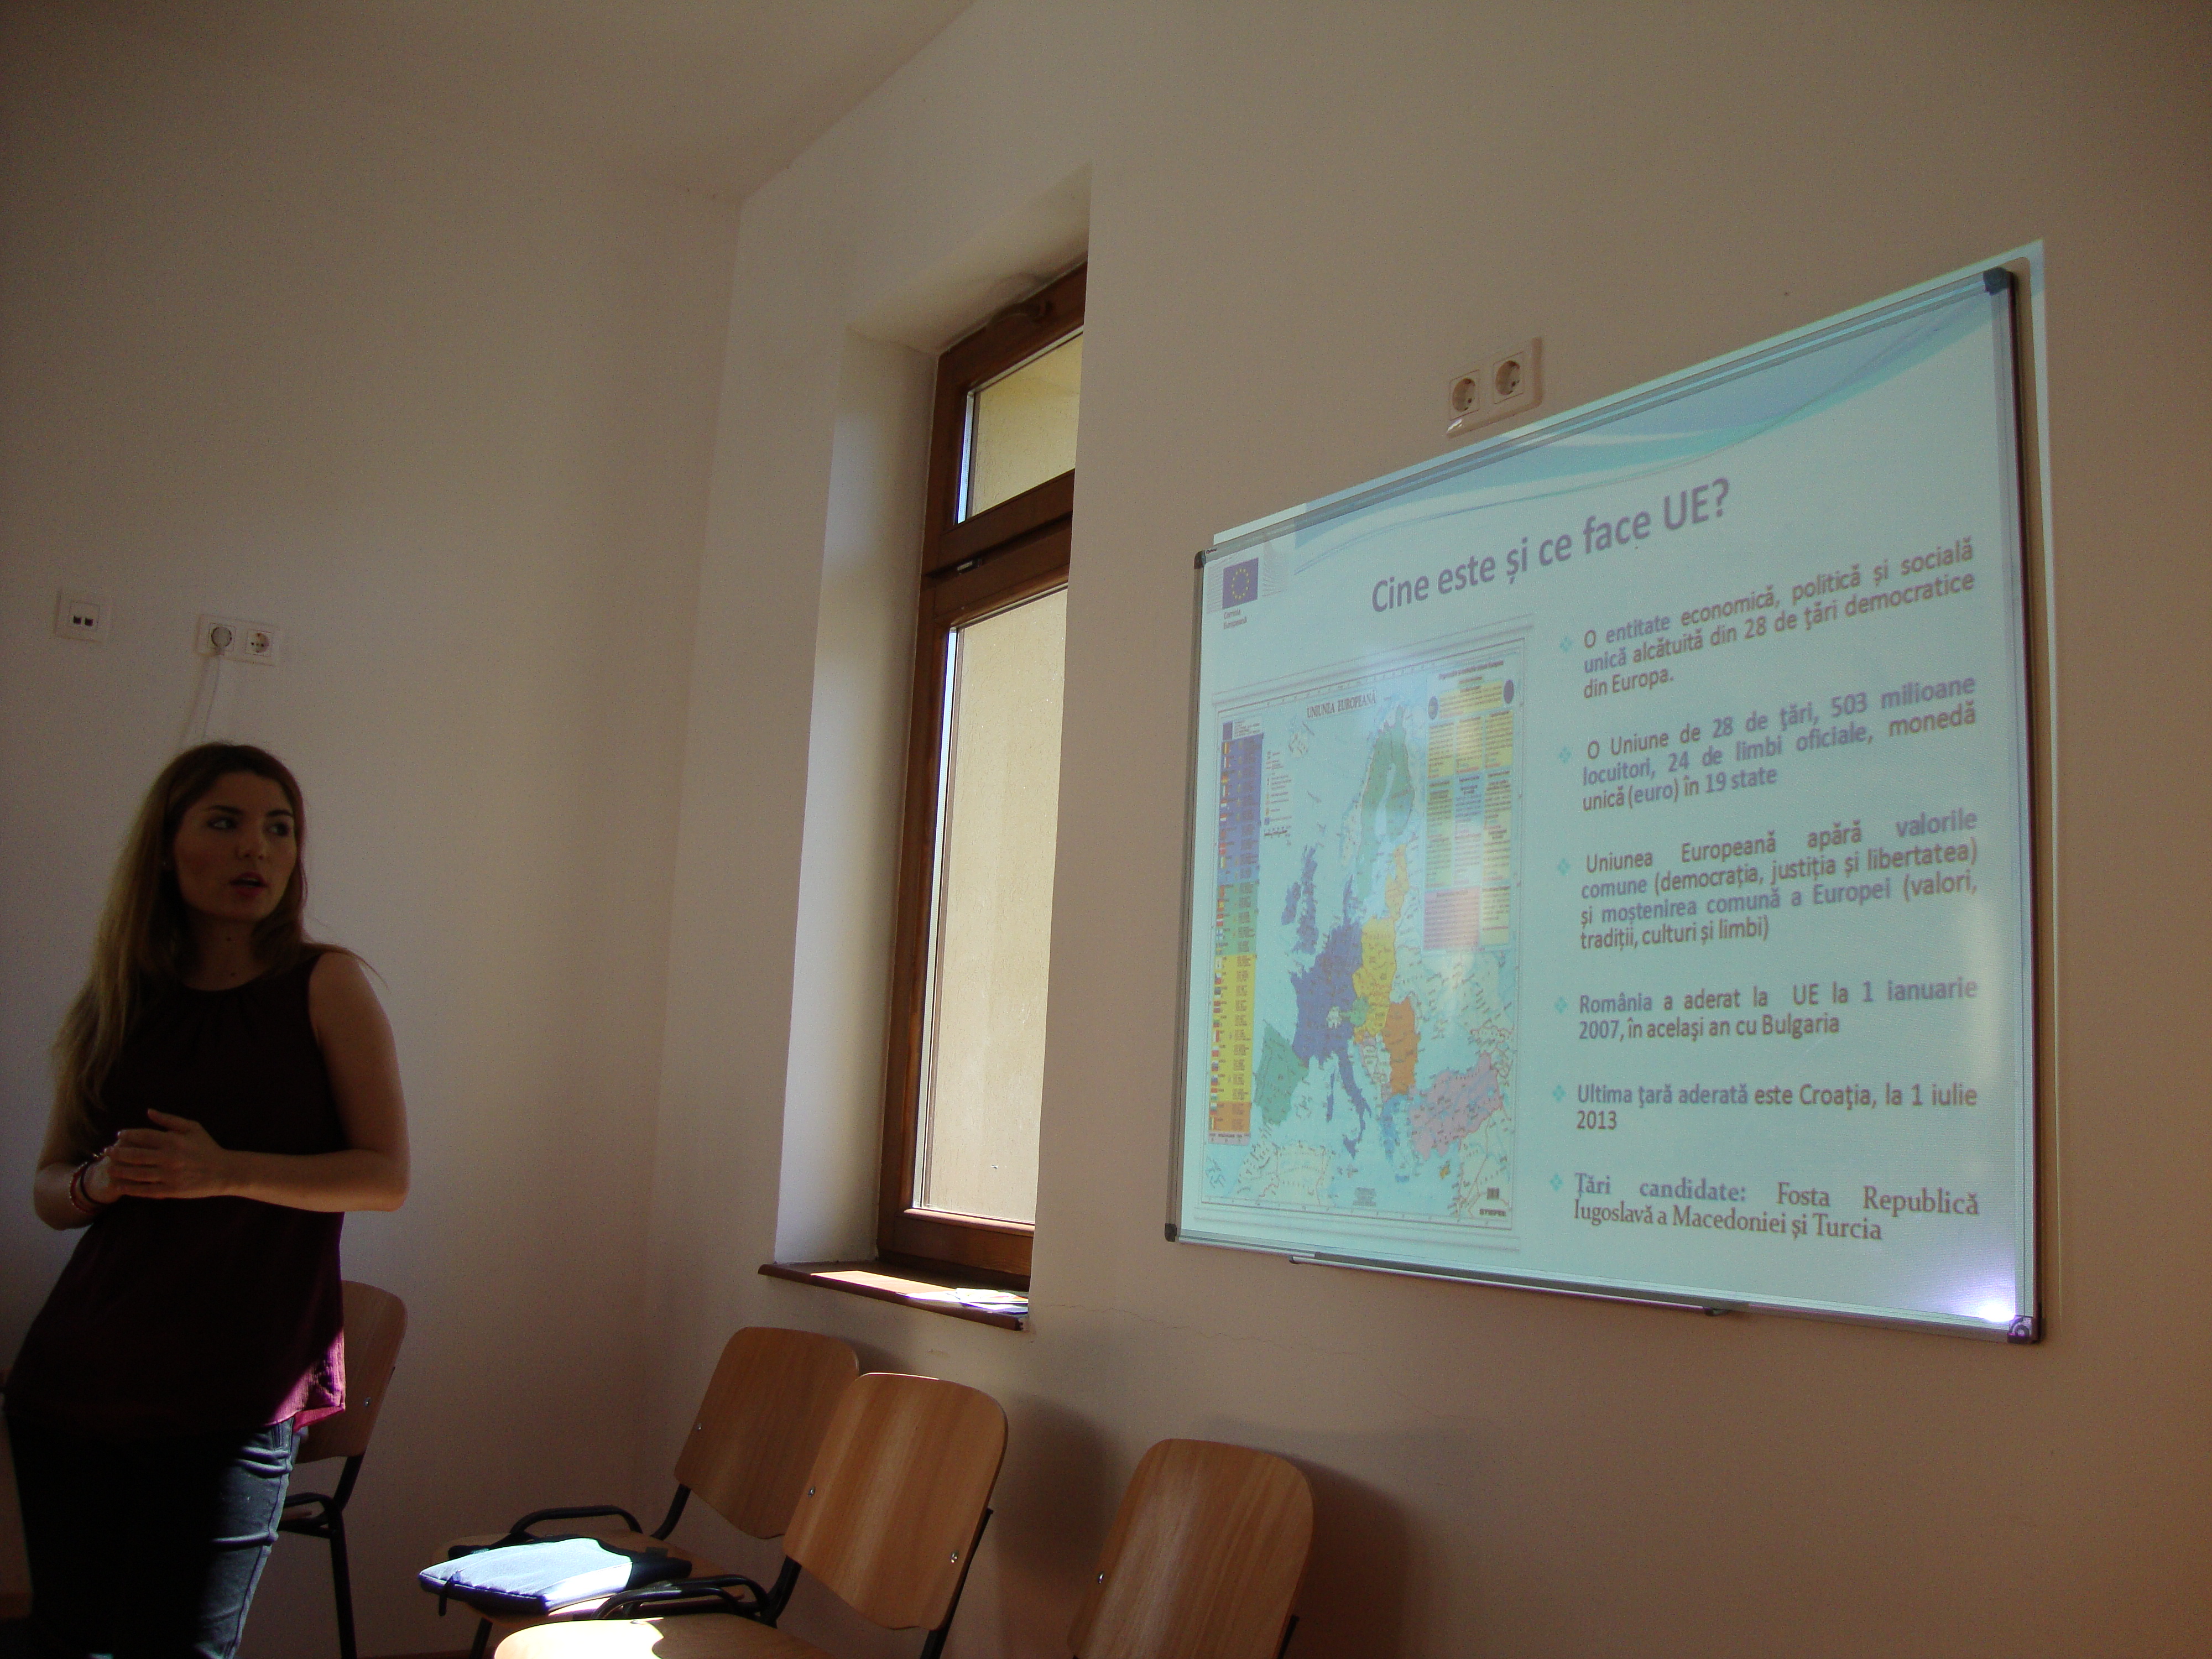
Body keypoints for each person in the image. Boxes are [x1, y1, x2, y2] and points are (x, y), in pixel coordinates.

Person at [4, 744, 408, 1658]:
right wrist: (97, 1182)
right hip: (77, 1379)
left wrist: (223, 1171)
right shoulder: (117, 1000)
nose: (256, 849)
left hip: (236, 1387)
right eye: (224, 823)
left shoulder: (326, 984)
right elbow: (48, 1190)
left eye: (279, 828)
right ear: (165, 847)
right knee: (67, 1643)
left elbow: (385, 1176)